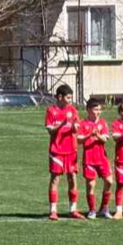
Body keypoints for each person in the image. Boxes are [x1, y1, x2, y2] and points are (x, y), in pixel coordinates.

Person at [76, 97, 116, 220]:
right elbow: (78, 140)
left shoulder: (102, 123)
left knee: (109, 181)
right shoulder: (83, 124)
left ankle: (104, 208)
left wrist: (97, 135)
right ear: (88, 110)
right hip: (89, 158)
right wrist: (89, 135)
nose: (98, 111)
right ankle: (92, 210)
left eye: (99, 109)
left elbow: (105, 139)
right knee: (91, 185)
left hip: (102, 158)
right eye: (95, 109)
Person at [44, 84, 80, 220]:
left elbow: (77, 128)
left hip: (71, 149)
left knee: (73, 178)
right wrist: (62, 123)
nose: (70, 100)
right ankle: (53, 210)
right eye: (68, 97)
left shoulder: (73, 110)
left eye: (71, 97)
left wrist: (74, 127)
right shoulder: (51, 111)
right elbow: (50, 130)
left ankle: (73, 209)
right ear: (60, 97)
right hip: (57, 150)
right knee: (55, 179)